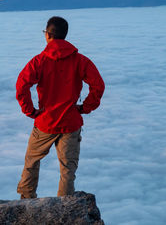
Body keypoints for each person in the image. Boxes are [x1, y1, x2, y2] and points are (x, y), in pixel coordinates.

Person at [16, 16, 105, 199]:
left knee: (32, 161)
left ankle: (26, 200)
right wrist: (85, 107)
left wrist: (30, 111)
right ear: (64, 35)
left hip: (45, 122)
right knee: (67, 169)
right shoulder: (81, 61)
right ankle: (65, 207)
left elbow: (21, 86)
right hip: (70, 122)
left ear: (48, 35)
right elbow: (98, 85)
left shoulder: (39, 61)